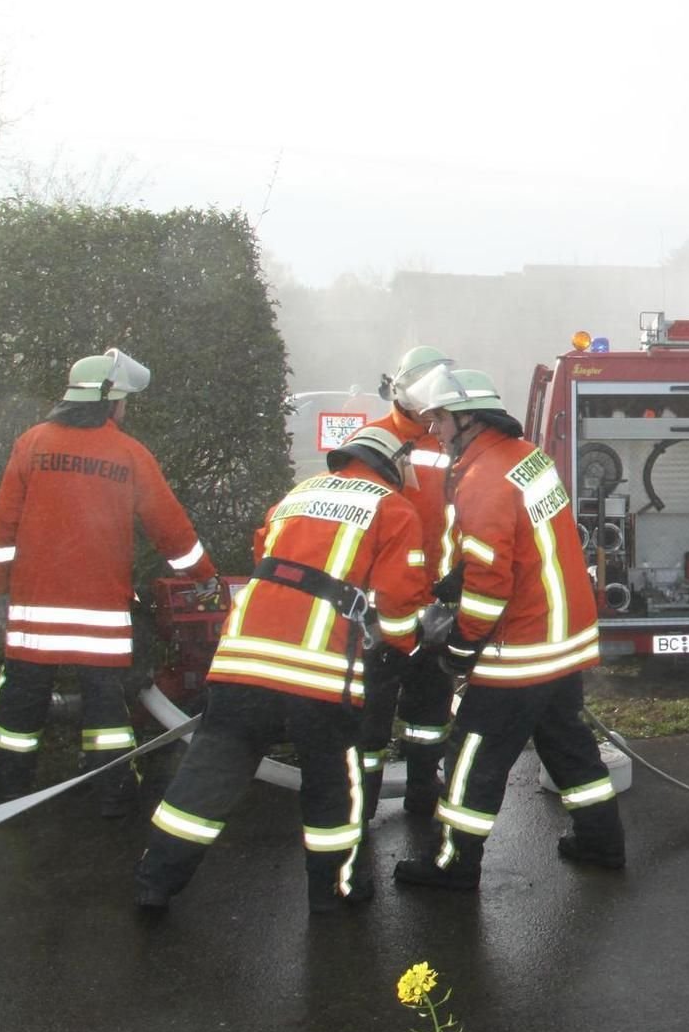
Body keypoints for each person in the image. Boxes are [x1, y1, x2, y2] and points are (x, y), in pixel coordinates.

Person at [134, 426, 430, 914]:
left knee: (207, 777)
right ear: (389, 466)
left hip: (241, 663)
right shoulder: (394, 508)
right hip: (316, 676)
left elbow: (267, 560)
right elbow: (400, 603)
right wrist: (401, 646)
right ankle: (333, 892)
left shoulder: (298, 494)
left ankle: (155, 882)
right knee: (332, 784)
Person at [392, 366, 625, 892]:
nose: (437, 432)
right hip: (563, 644)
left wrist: (461, 644)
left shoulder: (483, 480)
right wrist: (460, 575)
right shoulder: (527, 459)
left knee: (474, 756)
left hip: (521, 651)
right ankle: (603, 842)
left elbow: (490, 585)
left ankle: (454, 866)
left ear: (469, 418)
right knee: (570, 748)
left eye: (443, 421)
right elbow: (523, 544)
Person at [0, 348, 219, 816]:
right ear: (110, 402)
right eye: (125, 401)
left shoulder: (32, 443)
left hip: (33, 616)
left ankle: (9, 796)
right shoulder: (129, 455)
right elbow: (171, 531)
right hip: (101, 619)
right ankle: (111, 795)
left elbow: (2, 528)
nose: (126, 409)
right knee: (106, 712)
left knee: (18, 710)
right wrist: (205, 577)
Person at [357, 344, 458, 821]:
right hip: (379, 609)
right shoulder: (373, 442)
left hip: (432, 602)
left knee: (430, 712)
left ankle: (424, 790)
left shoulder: (447, 440)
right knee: (370, 714)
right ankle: (360, 806)